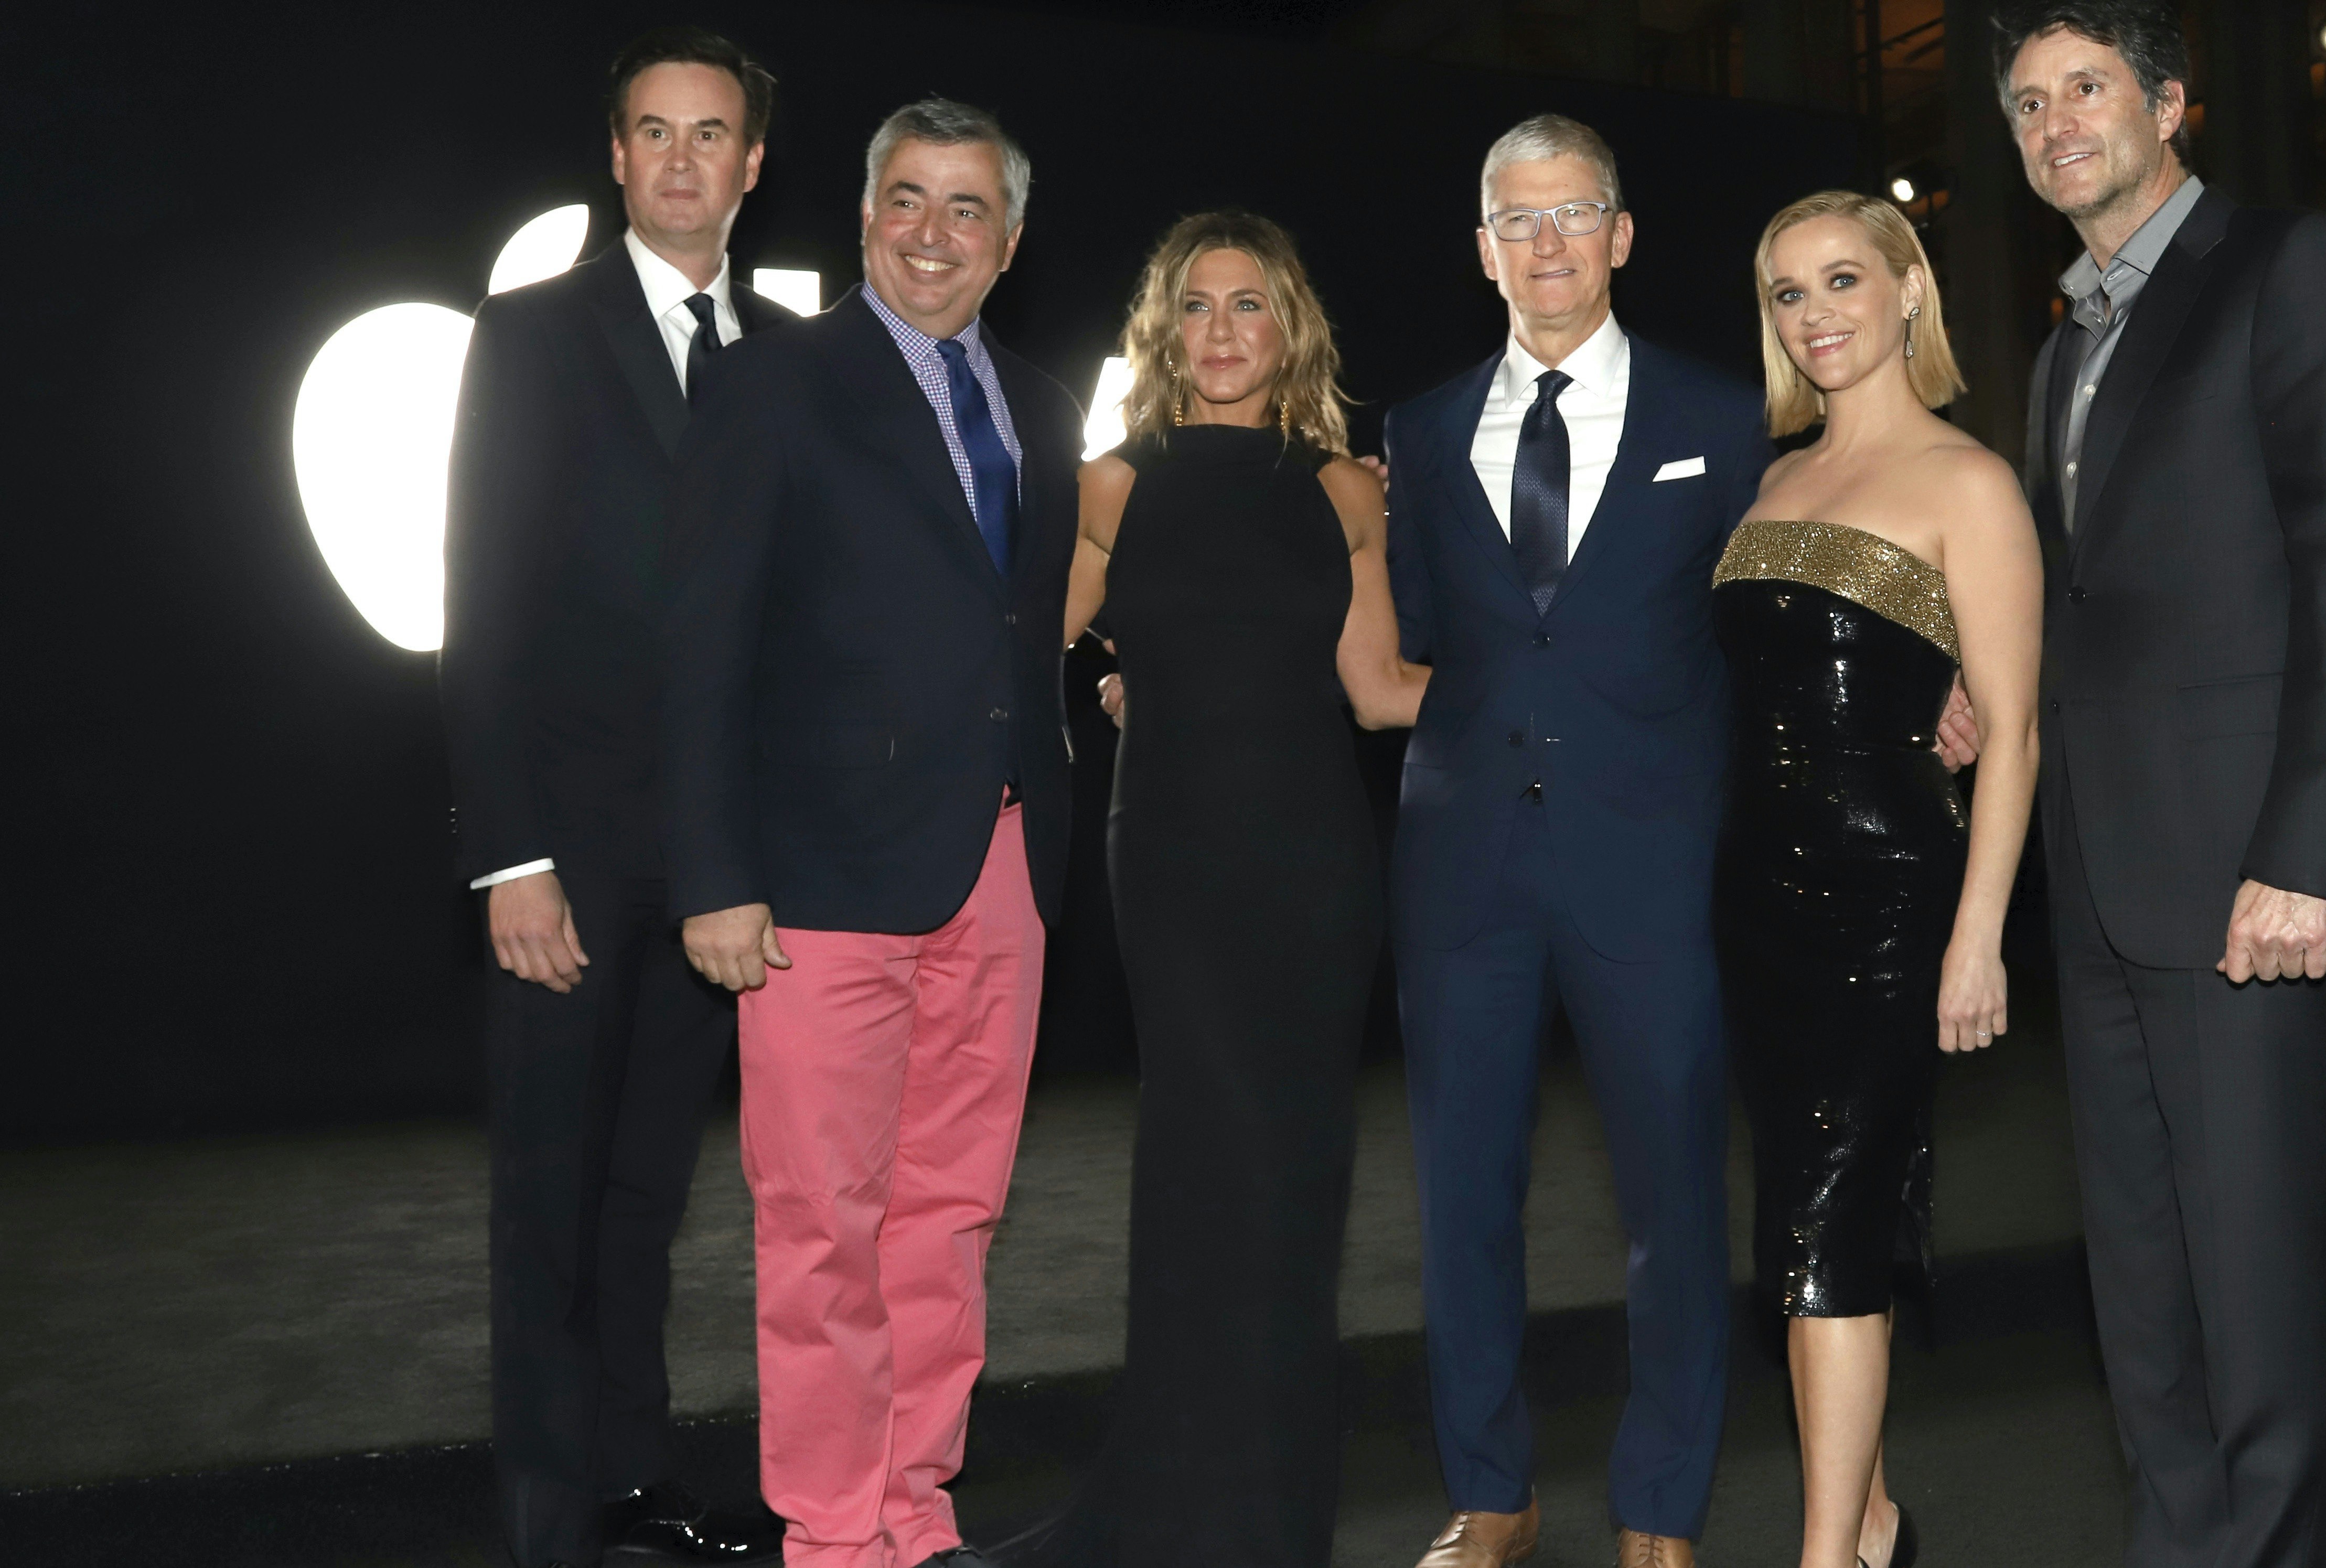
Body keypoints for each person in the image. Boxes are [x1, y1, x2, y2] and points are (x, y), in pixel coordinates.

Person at [1379, 116, 1973, 1568]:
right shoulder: (1416, 428)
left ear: (1620, 235)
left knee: (1670, 1205)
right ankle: (1489, 1488)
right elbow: (1421, 644)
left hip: (1658, 871)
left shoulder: (1724, 425)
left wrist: (1937, 677)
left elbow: (1802, 604)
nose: (1544, 243)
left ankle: (1662, 1506)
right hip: (1461, 877)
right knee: (1458, 1200)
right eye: (1514, 221)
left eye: (1572, 212)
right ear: (1481, 250)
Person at [1994, 5, 2326, 1565]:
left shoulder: (2291, 270)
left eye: (2084, 87)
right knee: (2149, 1304)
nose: (2052, 121)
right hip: (2104, 889)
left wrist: (2305, 854)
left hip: (2258, 881)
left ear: (2166, 103)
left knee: (2262, 1301)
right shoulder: (2062, 348)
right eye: (2025, 101)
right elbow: (2094, 599)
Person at [662, 99, 1080, 1568]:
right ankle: (836, 1534)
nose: (932, 234)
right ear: (862, 217)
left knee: (950, 1215)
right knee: (823, 1229)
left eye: (967, 210)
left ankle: (916, 1505)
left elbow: (1014, 631)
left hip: (1001, 866)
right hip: (822, 880)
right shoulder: (771, 383)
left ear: (1009, 240)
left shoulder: (1039, 400)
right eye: (908, 200)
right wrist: (712, 872)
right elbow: (701, 644)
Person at [994, 211, 1425, 1568]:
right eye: (1197, 306)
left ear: (1287, 327)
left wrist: (1570, 678)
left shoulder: (1344, 490)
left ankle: (1270, 1516)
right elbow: (1017, 649)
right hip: (1173, 865)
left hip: (1315, 871)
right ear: (1163, 332)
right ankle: (1168, 1505)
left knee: (1297, 1186)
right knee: (1198, 1173)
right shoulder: (1110, 482)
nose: (1224, 329)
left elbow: (1376, 690)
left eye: (1250, 304)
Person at [441, 27, 784, 1567]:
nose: (679, 158)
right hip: (563, 856)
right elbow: (487, 594)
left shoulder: (789, 355)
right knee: (547, 1197)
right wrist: (511, 854)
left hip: (719, 864)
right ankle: (540, 1523)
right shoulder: (526, 335)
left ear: (752, 163)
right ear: (617, 154)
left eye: (708, 134)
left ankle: (633, 1492)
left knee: (649, 1191)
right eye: (652, 132)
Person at [1713, 191, 2040, 1568]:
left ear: (1908, 290)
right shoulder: (1772, 479)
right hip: (1755, 905)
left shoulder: (1969, 481)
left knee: (1834, 1227)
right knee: (1798, 1224)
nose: (1815, 313)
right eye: (1787, 292)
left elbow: (2013, 728)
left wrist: (1979, 937)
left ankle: (1826, 1553)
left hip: (1892, 902)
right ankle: (1877, 1518)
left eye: (1841, 279)